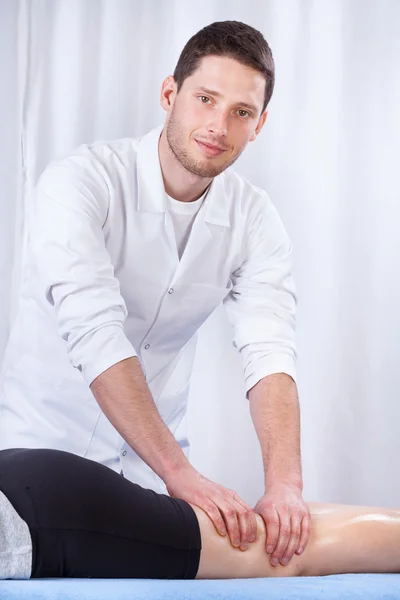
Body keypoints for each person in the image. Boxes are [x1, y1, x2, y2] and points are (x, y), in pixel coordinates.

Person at [0, 20, 310, 569]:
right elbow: (95, 333)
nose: (218, 125)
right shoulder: (79, 183)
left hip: (149, 484)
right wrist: (182, 475)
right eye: (205, 99)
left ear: (259, 125)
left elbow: (269, 351)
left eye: (240, 111)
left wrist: (285, 486)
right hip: (40, 466)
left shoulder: (254, 218)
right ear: (170, 93)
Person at [0, 448, 399, 581]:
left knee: (279, 553)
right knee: (269, 534)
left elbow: (267, 343)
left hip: (45, 515)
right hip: (28, 487)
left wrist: (285, 485)